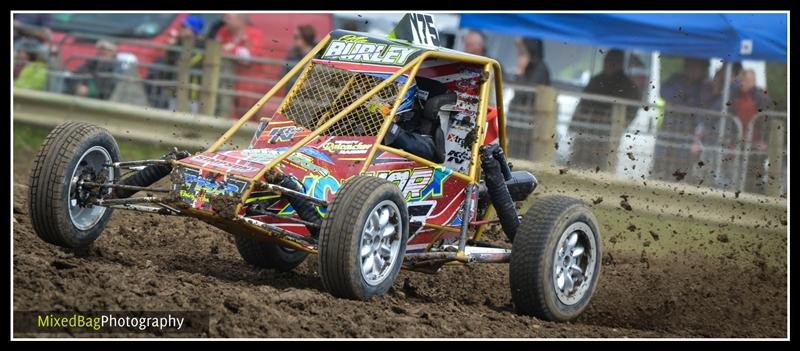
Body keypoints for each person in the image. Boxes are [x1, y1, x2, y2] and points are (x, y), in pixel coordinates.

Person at [569, 49, 641, 170]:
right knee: (579, 162)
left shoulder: (628, 86)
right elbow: (583, 103)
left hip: (607, 133)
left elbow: (632, 109)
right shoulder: (596, 80)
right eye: (607, 61)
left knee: (602, 165)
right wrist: (575, 123)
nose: (607, 64)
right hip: (588, 129)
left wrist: (621, 124)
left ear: (619, 63)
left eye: (611, 61)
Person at [654, 57, 714, 181]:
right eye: (690, 66)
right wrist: (682, 101)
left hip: (688, 133)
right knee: (662, 160)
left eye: (696, 67)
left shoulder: (704, 86)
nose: (692, 70)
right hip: (670, 129)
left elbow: (701, 103)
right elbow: (664, 92)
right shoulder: (675, 79)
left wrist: (682, 104)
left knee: (683, 165)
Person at [379, 76, 451, 163]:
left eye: (387, 95)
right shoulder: (369, 113)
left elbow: (428, 150)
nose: (381, 101)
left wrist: (391, 128)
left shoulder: (418, 119)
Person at [145, 15, 206, 111]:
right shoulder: (177, 43)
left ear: (193, 31)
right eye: (181, 25)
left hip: (192, 95)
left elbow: (187, 64)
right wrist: (171, 47)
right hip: (175, 92)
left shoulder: (201, 46)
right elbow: (170, 62)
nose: (180, 29)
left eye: (184, 27)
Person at [215, 13, 267, 117]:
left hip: (249, 86)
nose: (224, 19)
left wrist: (232, 50)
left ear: (240, 20)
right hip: (227, 84)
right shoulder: (223, 31)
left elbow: (249, 58)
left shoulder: (254, 34)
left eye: (228, 17)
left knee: (247, 118)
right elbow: (215, 50)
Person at [282, 25, 317, 90]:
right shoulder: (292, 54)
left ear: (306, 38)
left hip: (310, 95)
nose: (294, 40)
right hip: (291, 93)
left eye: (296, 37)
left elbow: (320, 79)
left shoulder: (318, 56)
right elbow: (283, 72)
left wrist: (308, 84)